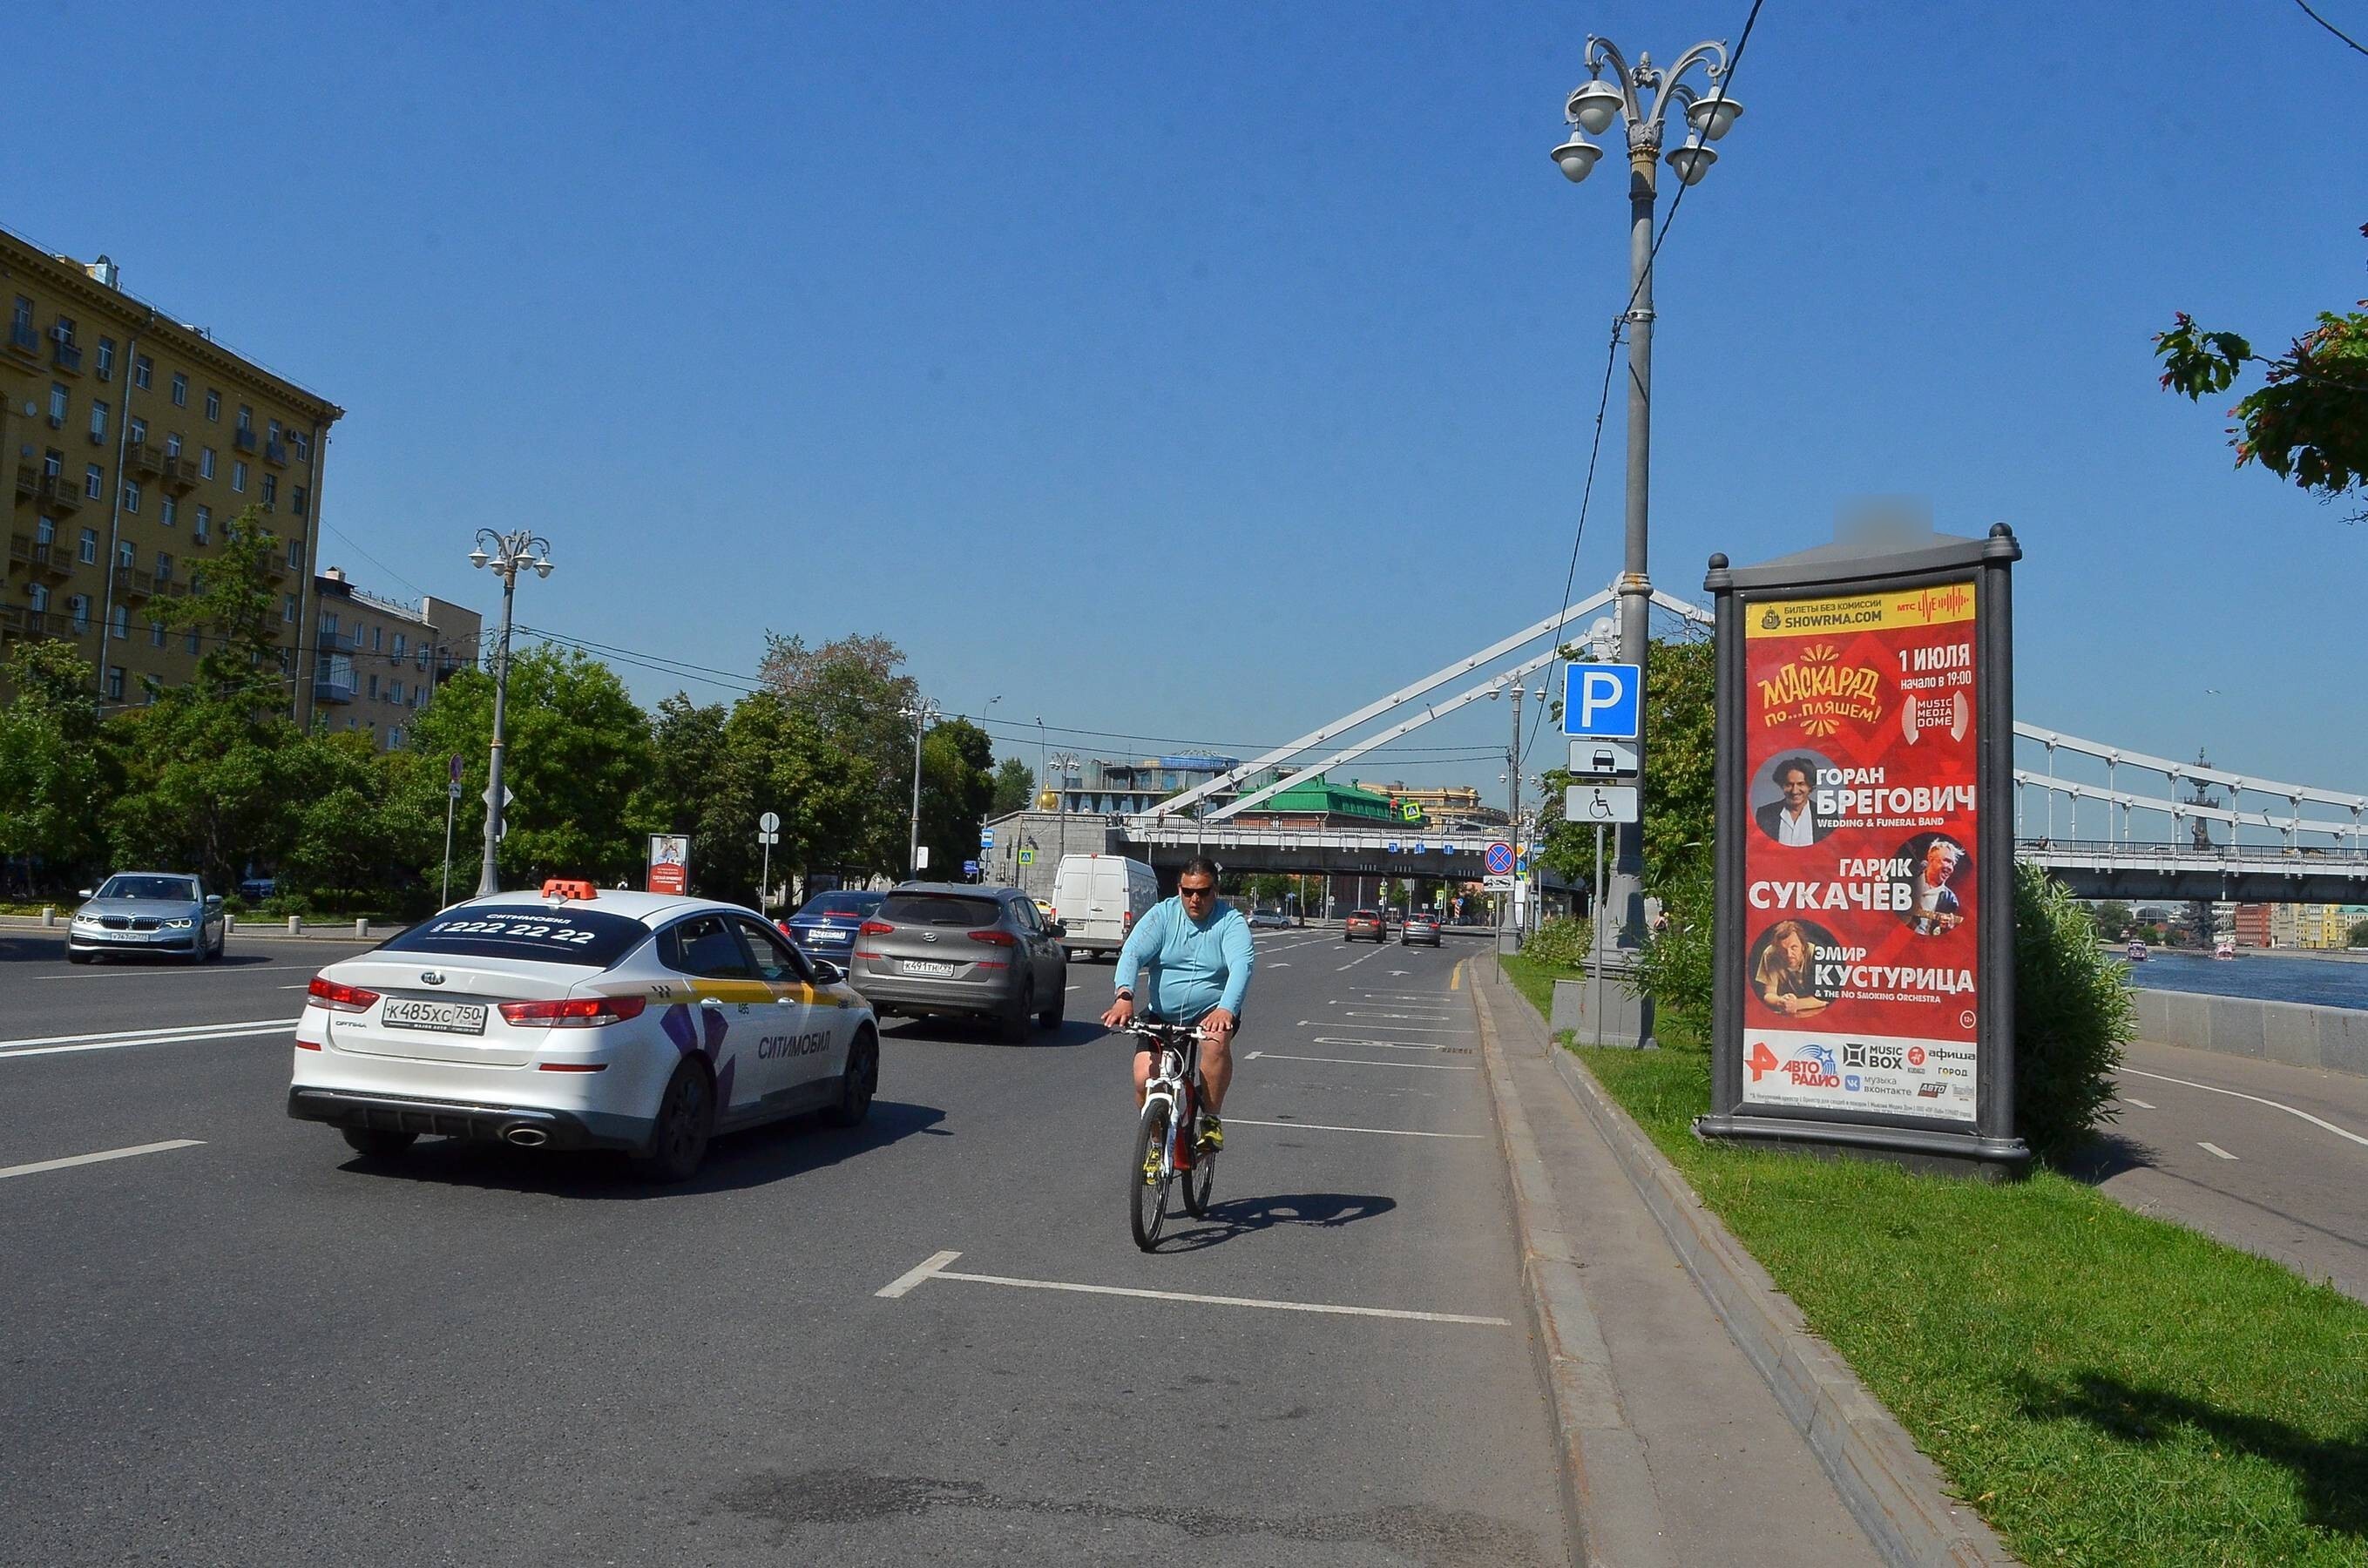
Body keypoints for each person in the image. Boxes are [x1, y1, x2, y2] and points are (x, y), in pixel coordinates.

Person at [1100, 856, 1254, 1151]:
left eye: (1203, 892)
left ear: (1215, 890)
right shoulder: (1163, 915)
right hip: (1162, 1012)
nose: (1195, 899)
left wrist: (1226, 1009)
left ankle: (1211, 1119)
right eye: (1188, 891)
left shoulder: (1230, 922)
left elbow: (1241, 967)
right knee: (1143, 1078)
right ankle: (1157, 1145)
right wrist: (1124, 996)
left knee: (1216, 1043)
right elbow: (1132, 953)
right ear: (1179, 889)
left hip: (1211, 1011)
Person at [1753, 920, 1829, 1017]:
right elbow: (1769, 994)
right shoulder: (1770, 954)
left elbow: (1823, 998)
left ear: (1803, 946)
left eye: (1794, 947)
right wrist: (1780, 1001)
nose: (1789, 954)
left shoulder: (1816, 953)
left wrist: (1796, 1004)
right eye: (1783, 950)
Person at [1755, 757, 1829, 846]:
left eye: (1801, 784)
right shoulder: (1765, 814)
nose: (1794, 791)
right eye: (1789, 784)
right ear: (1782, 786)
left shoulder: (1827, 815)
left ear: (1810, 787)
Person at [1907, 840, 1965, 935]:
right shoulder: (1910, 880)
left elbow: (1940, 935)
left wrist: (1945, 930)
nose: (1950, 868)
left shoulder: (1950, 900)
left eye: (1953, 864)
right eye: (1947, 861)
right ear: (1931, 859)